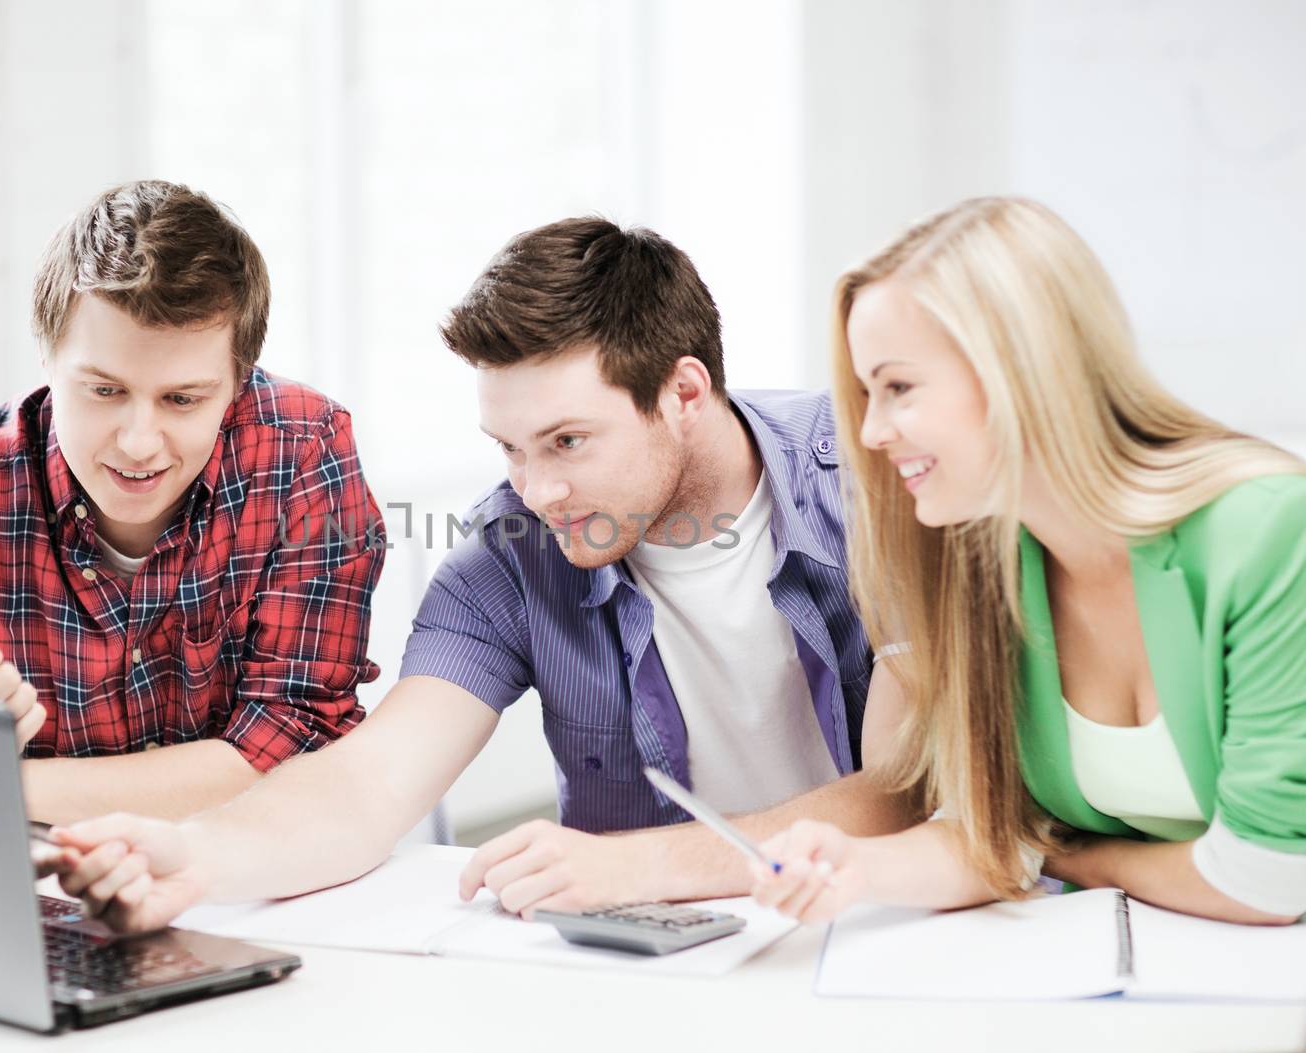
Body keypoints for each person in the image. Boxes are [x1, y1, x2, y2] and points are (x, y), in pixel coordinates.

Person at [45, 217, 922, 932]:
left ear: (684, 394)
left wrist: (637, 863)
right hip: (675, 972)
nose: (537, 488)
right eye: (510, 447)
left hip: (898, 929)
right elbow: (370, 780)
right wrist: (195, 857)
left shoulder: (876, 486)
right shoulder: (510, 551)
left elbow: (910, 789)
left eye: (568, 441)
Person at [747, 196, 1306, 926]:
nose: (873, 431)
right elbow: (994, 835)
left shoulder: (1265, 530)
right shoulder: (983, 559)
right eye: (864, 393)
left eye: (899, 387)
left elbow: (1267, 879)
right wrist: (857, 864)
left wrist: (1080, 859)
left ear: (1020, 369)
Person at [0, 180, 385, 825]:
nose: (138, 442)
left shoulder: (303, 449)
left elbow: (296, 741)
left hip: (245, 873)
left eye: (182, 400)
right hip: (43, 887)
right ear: (46, 357)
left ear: (238, 385)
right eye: (104, 391)